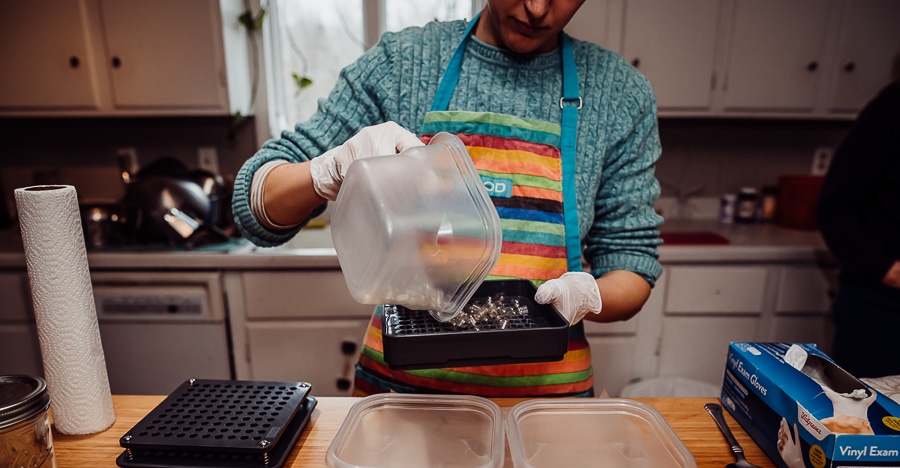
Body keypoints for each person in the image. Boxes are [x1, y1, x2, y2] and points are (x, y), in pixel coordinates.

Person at [232, 0, 664, 397]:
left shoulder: (619, 94)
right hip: (401, 405)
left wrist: (591, 295)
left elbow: (633, 264)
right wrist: (325, 171)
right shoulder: (403, 64)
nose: (536, 8)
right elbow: (256, 205)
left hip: (545, 411)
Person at [816, 75, 900, 379]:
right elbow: (834, 207)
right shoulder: (892, 110)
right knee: (865, 411)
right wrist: (885, 269)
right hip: (882, 308)